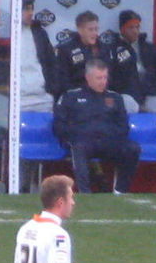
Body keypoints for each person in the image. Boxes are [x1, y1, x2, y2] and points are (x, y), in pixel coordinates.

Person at [54, 58, 141, 194]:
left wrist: (108, 134)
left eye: (105, 77)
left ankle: (120, 191)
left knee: (133, 148)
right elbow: (59, 125)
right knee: (79, 147)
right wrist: (76, 134)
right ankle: (85, 193)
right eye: (99, 78)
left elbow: (123, 126)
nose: (103, 81)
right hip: (83, 141)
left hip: (109, 141)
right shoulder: (71, 97)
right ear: (87, 77)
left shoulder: (115, 98)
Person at [110, 9, 156, 117]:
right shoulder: (113, 49)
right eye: (131, 27)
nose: (135, 31)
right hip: (127, 94)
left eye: (137, 27)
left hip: (149, 93)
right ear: (122, 29)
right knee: (127, 102)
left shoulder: (149, 47)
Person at [55, 8, 114, 94]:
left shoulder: (104, 48)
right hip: (77, 96)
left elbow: (110, 76)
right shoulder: (66, 49)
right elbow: (63, 81)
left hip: (102, 94)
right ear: (80, 30)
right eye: (90, 29)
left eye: (96, 29)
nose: (95, 33)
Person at [19, 0, 58, 111]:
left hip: (42, 96)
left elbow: (51, 63)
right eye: (26, 9)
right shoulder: (7, 35)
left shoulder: (40, 33)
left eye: (31, 9)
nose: (31, 13)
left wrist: (51, 90)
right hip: (18, 98)